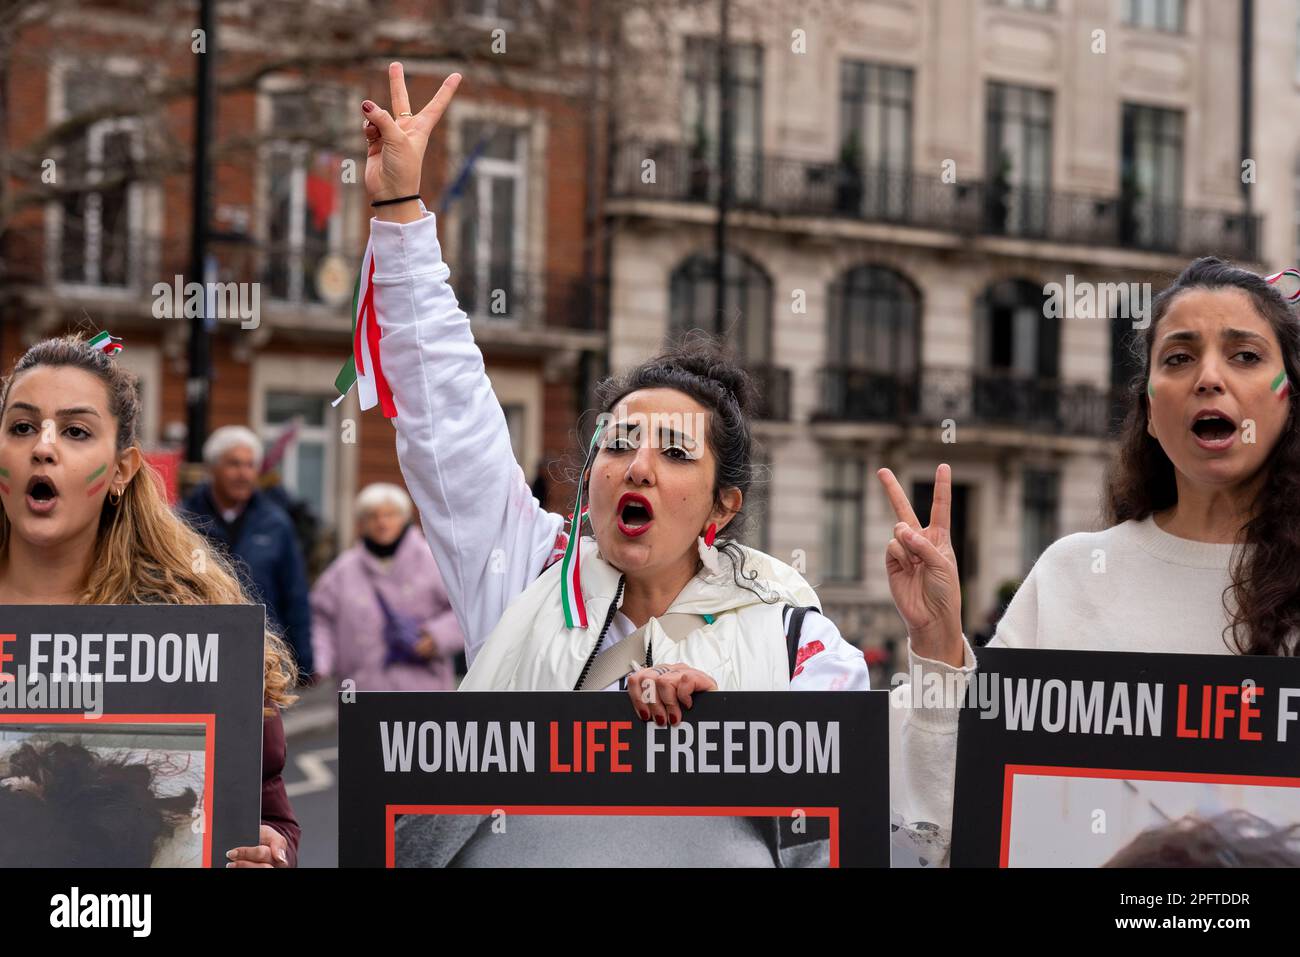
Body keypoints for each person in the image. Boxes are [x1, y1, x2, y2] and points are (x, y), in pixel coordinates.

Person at [355, 64, 868, 866]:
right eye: (619, 444)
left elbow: (853, 814)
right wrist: (399, 209)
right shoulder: (525, 573)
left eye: (673, 453)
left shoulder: (800, 643)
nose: (637, 467)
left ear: (721, 506)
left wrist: (727, 725)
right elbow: (445, 412)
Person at [880, 258, 1300, 865]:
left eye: (1245, 356)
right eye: (1178, 358)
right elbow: (942, 826)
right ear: (1150, 412)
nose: (1209, 377)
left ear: (1290, 397)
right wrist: (939, 642)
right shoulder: (1070, 575)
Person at [0, 334, 301, 867]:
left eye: (75, 431)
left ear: (121, 469)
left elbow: (268, 814)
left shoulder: (194, 624)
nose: (42, 446)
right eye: (21, 427)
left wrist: (268, 846)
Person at [182, 425, 314, 678]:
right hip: (199, 658)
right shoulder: (182, 521)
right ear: (212, 468)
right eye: (234, 464)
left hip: (263, 658)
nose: (243, 474)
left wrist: (304, 662)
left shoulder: (276, 523)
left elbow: (294, 593)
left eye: (250, 465)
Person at [311, 482, 463, 690]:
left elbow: (464, 608)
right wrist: (320, 663)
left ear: (405, 518)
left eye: (390, 515)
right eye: (373, 516)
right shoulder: (342, 571)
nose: (382, 523)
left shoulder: (433, 560)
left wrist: (438, 636)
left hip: (423, 691)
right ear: (361, 523)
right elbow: (320, 620)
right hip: (361, 691)